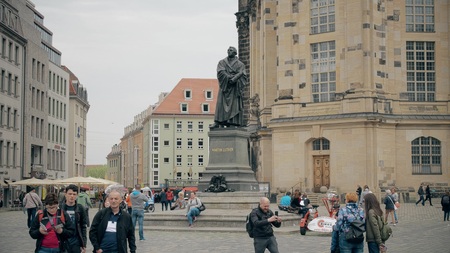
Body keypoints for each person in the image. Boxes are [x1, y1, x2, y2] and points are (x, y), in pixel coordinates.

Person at [211, 46, 247, 128]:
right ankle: (218, 121)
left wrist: (235, 79)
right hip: (225, 86)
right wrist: (230, 78)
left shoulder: (240, 64)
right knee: (220, 104)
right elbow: (220, 72)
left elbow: (243, 76)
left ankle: (233, 122)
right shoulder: (222, 62)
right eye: (228, 50)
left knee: (234, 104)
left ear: (235, 52)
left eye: (231, 50)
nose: (228, 51)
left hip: (235, 88)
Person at [60, 184, 88, 253]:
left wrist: (83, 244)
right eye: (70, 194)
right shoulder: (60, 208)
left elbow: (83, 226)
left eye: (74, 194)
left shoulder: (80, 208)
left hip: (76, 242)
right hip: (63, 241)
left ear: (77, 196)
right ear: (65, 194)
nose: (72, 196)